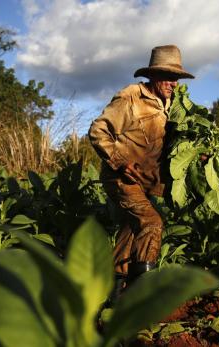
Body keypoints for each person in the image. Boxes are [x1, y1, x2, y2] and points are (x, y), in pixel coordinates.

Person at [88, 45, 194, 288]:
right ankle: (141, 292)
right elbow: (98, 131)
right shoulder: (131, 97)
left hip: (146, 184)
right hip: (121, 179)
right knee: (151, 223)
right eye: (168, 77)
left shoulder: (174, 105)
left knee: (131, 231)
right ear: (153, 75)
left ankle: (113, 291)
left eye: (176, 78)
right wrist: (119, 161)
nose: (173, 83)